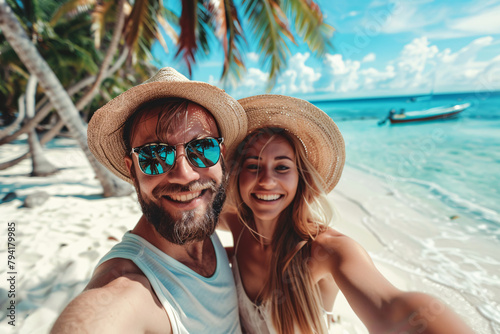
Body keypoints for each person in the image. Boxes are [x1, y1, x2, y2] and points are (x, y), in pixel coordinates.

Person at [221, 94, 474, 334]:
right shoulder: (238, 226)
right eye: (253, 165)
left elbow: (393, 307)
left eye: (282, 167)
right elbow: (191, 210)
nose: (266, 180)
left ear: (301, 178)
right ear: (237, 176)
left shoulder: (326, 251)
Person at [51, 67, 247, 333]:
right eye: (153, 155)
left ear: (221, 156)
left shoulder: (206, 216)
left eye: (202, 148)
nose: (185, 175)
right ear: (132, 170)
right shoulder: (128, 283)